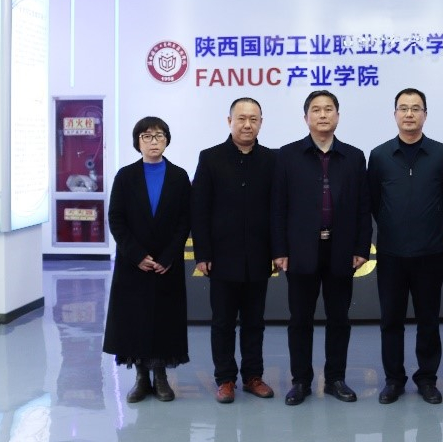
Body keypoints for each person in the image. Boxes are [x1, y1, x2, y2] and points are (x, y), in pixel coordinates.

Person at [271, 90, 372, 405]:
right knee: (300, 319)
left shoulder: (354, 157)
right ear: (306, 118)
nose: (323, 115)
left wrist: (361, 248)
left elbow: (363, 206)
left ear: (338, 116)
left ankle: (335, 379)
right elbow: (278, 207)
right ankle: (301, 381)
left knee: (339, 318)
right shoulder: (287, 156)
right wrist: (280, 250)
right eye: (316, 110)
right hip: (300, 251)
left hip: (341, 249)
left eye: (329, 109)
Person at [368, 88, 443, 405]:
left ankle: (427, 379)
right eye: (403, 108)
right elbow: (374, 201)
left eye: (415, 108)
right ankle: (394, 380)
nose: (409, 114)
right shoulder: (380, 155)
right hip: (391, 254)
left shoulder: (441, 153)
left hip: (429, 253)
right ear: (395, 114)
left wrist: (426, 224)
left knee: (428, 321)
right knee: (391, 321)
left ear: (425, 115)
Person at [191, 97, 276, 404]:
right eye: (241, 118)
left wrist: (277, 251)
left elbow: (278, 210)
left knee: (255, 322)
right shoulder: (210, 158)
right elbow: (199, 209)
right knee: (223, 322)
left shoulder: (272, 160)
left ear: (261, 123)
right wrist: (203, 253)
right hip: (222, 257)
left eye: (253, 119)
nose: (247, 124)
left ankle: (253, 376)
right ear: (229, 121)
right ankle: (225, 378)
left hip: (258, 255)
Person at [103, 116, 192, 403]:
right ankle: (141, 378)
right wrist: (137, 255)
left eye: (159, 135)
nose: (154, 141)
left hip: (167, 264)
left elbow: (185, 220)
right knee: (135, 319)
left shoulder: (179, 176)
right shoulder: (125, 176)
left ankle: (161, 377)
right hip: (134, 263)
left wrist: (168, 256)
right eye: (147, 136)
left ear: (167, 140)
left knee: (165, 319)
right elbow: (116, 219)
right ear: (138, 142)